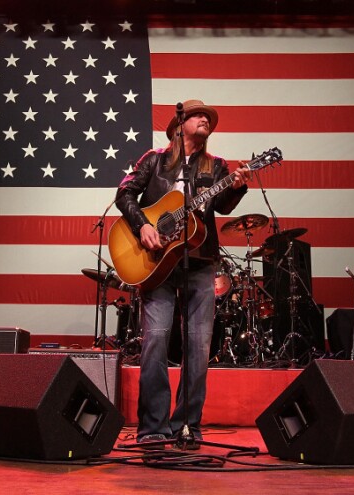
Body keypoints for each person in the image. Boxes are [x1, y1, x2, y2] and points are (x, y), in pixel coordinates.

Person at [114, 99, 252, 448]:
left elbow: (223, 205)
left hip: (200, 261)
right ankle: (153, 428)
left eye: (208, 118)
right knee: (156, 341)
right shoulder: (154, 159)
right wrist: (143, 225)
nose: (205, 119)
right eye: (198, 115)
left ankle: (186, 426)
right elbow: (125, 192)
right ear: (180, 124)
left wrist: (237, 185)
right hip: (157, 264)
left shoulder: (216, 166)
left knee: (198, 347)